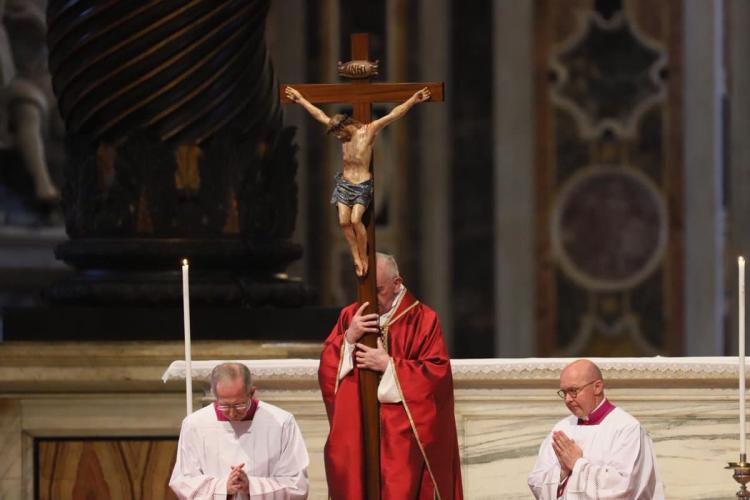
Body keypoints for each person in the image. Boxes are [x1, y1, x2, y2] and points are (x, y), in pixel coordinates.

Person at [318, 252, 463, 499]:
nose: (371, 300)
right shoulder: (350, 317)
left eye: (378, 290)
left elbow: (436, 376)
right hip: (358, 428)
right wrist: (349, 339)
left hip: (402, 434)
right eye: (365, 290)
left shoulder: (423, 319)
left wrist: (389, 366)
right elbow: (327, 371)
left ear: (397, 283)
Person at [284, 85, 430, 277]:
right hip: (344, 184)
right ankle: (356, 256)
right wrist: (300, 99)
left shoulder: (368, 132)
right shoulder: (343, 138)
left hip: (361, 184)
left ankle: (364, 256)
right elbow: (320, 115)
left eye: (337, 132)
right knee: (344, 222)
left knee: (355, 220)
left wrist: (413, 100)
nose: (337, 137)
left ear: (345, 125)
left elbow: (393, 115)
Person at [170, 363, 309, 499]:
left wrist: (252, 487)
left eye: (239, 404)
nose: (232, 413)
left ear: (252, 393)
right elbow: (183, 481)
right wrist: (224, 487)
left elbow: (297, 484)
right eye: (224, 405)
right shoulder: (194, 425)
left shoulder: (282, 423)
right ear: (215, 395)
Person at [528, 359, 664, 499]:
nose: (568, 399)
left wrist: (577, 464)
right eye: (564, 392)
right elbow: (535, 481)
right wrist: (561, 472)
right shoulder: (562, 429)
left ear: (597, 387)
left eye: (573, 391)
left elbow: (623, 488)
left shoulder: (626, 428)